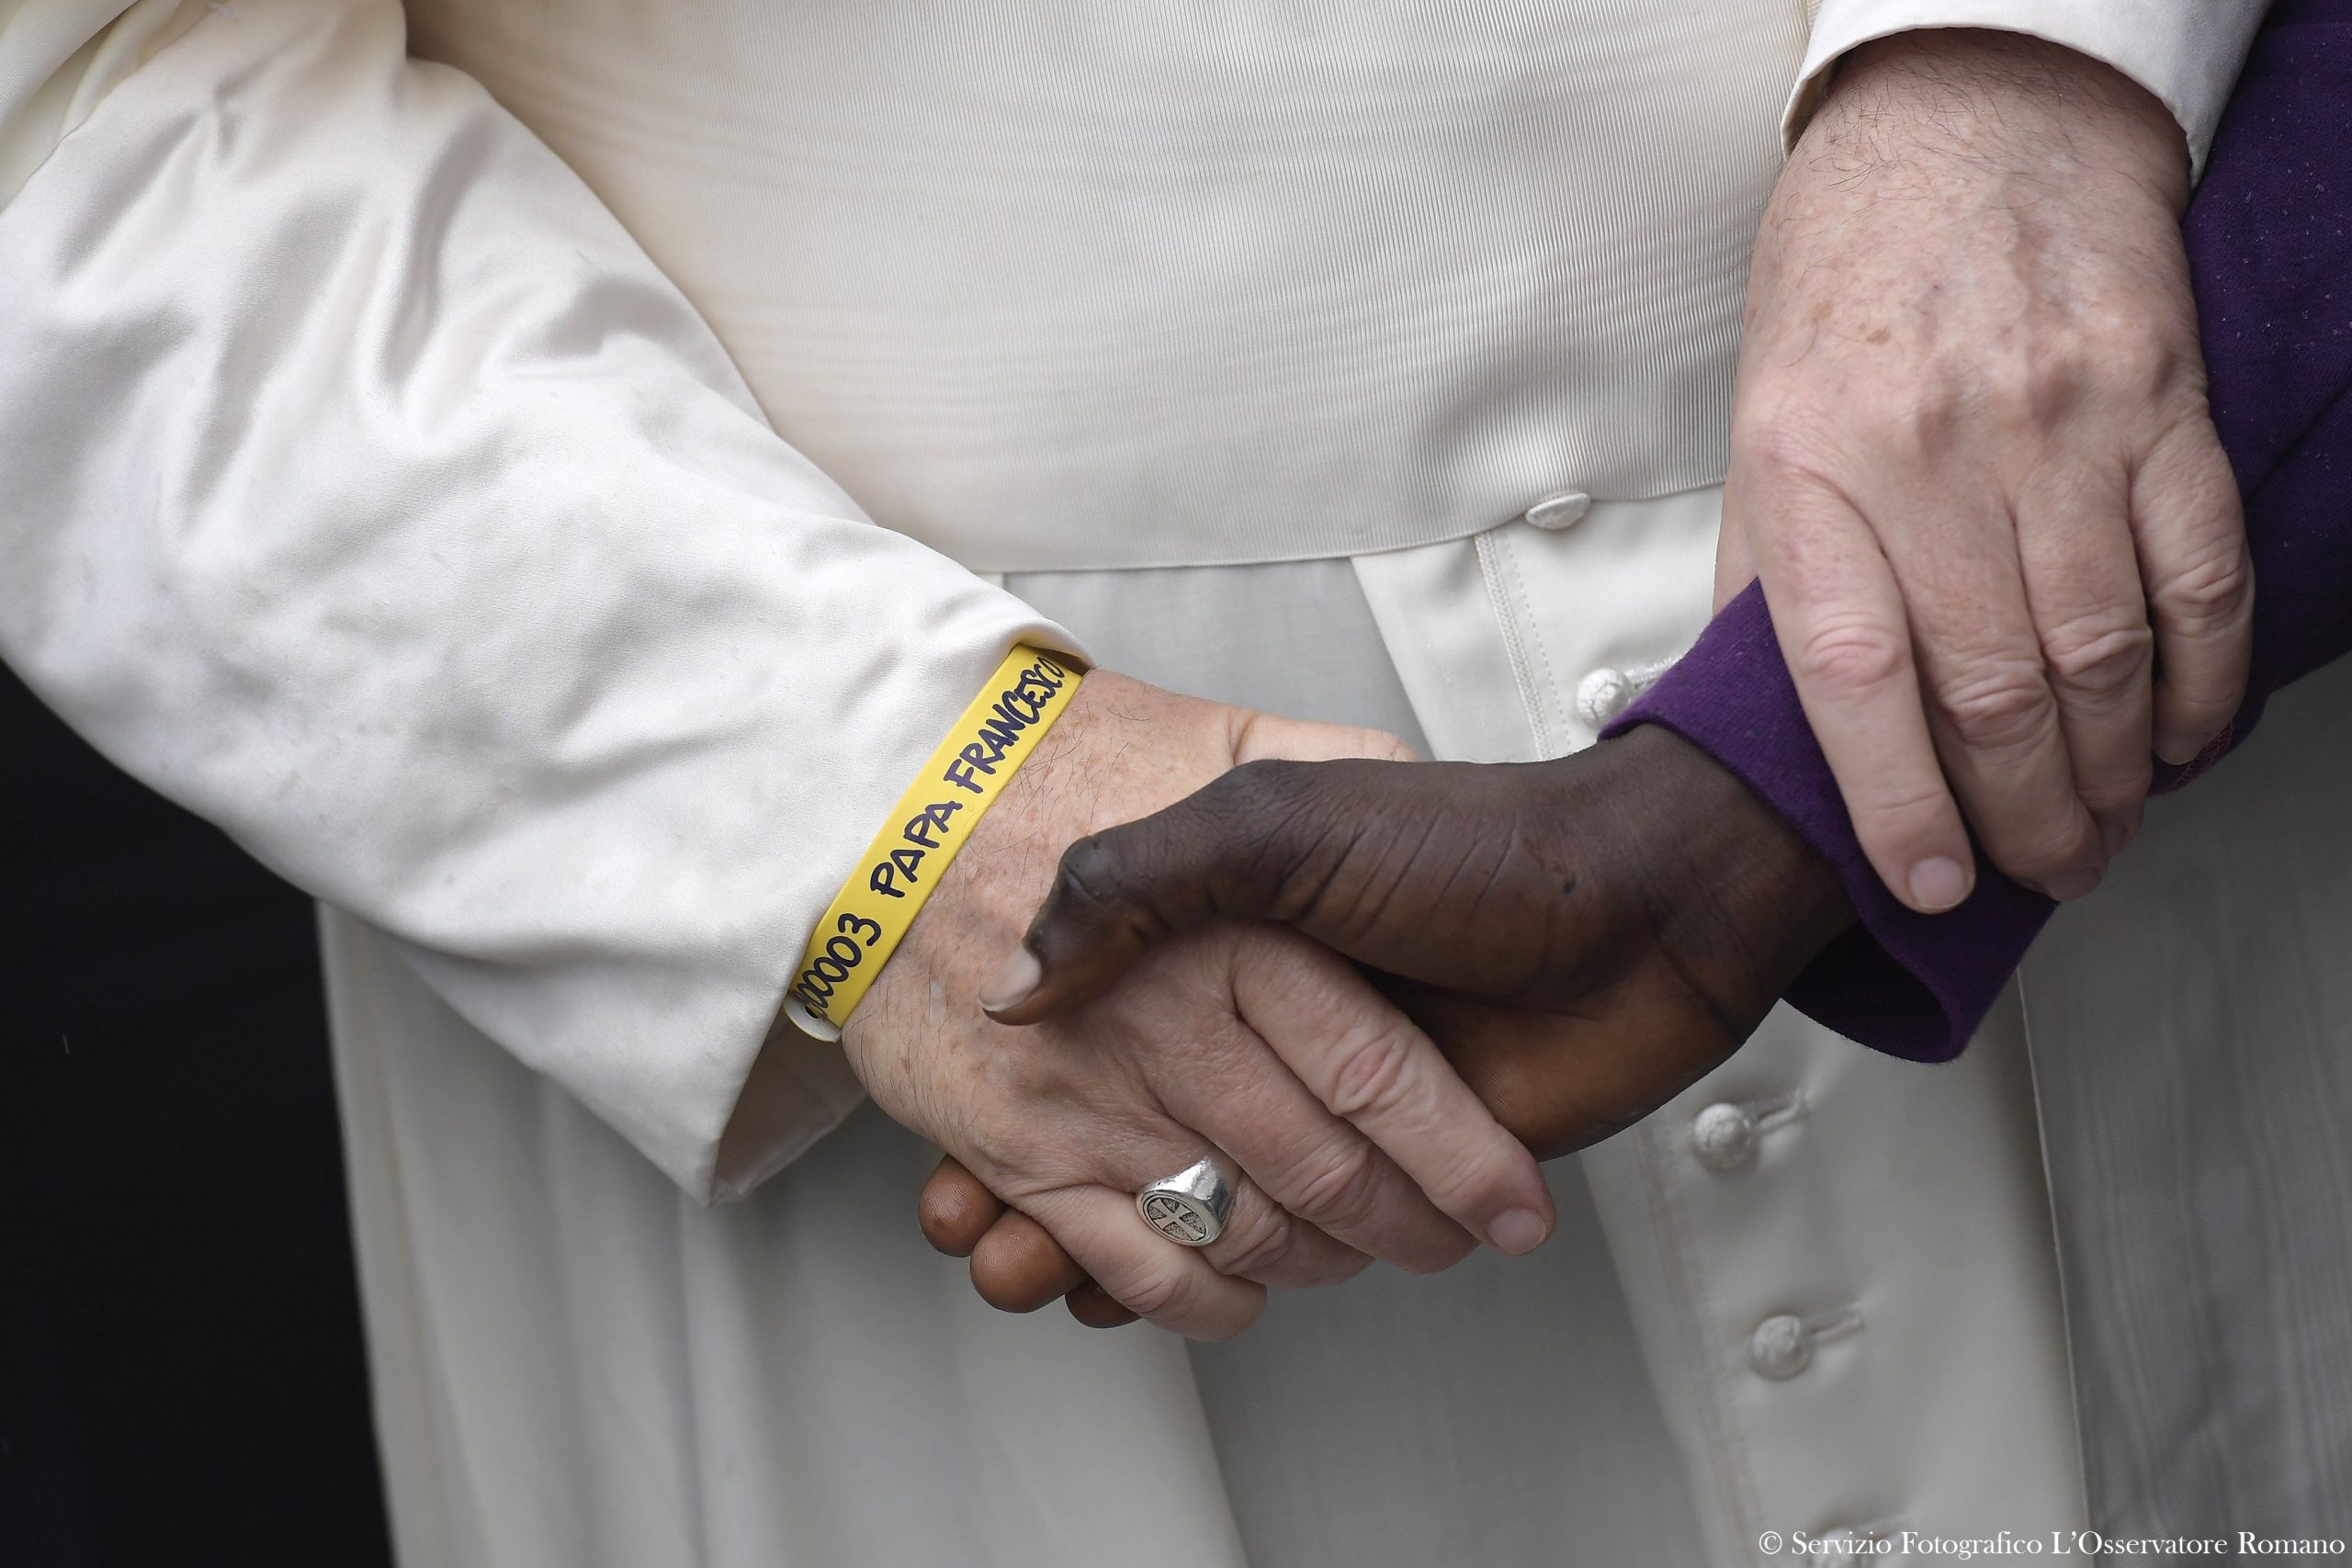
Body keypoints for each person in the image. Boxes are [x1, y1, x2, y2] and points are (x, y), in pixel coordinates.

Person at [0, 2, 2317, 1564]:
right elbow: (77, 119)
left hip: (2095, 520)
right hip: (875, 856)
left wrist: (2014, 64)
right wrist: (868, 800)